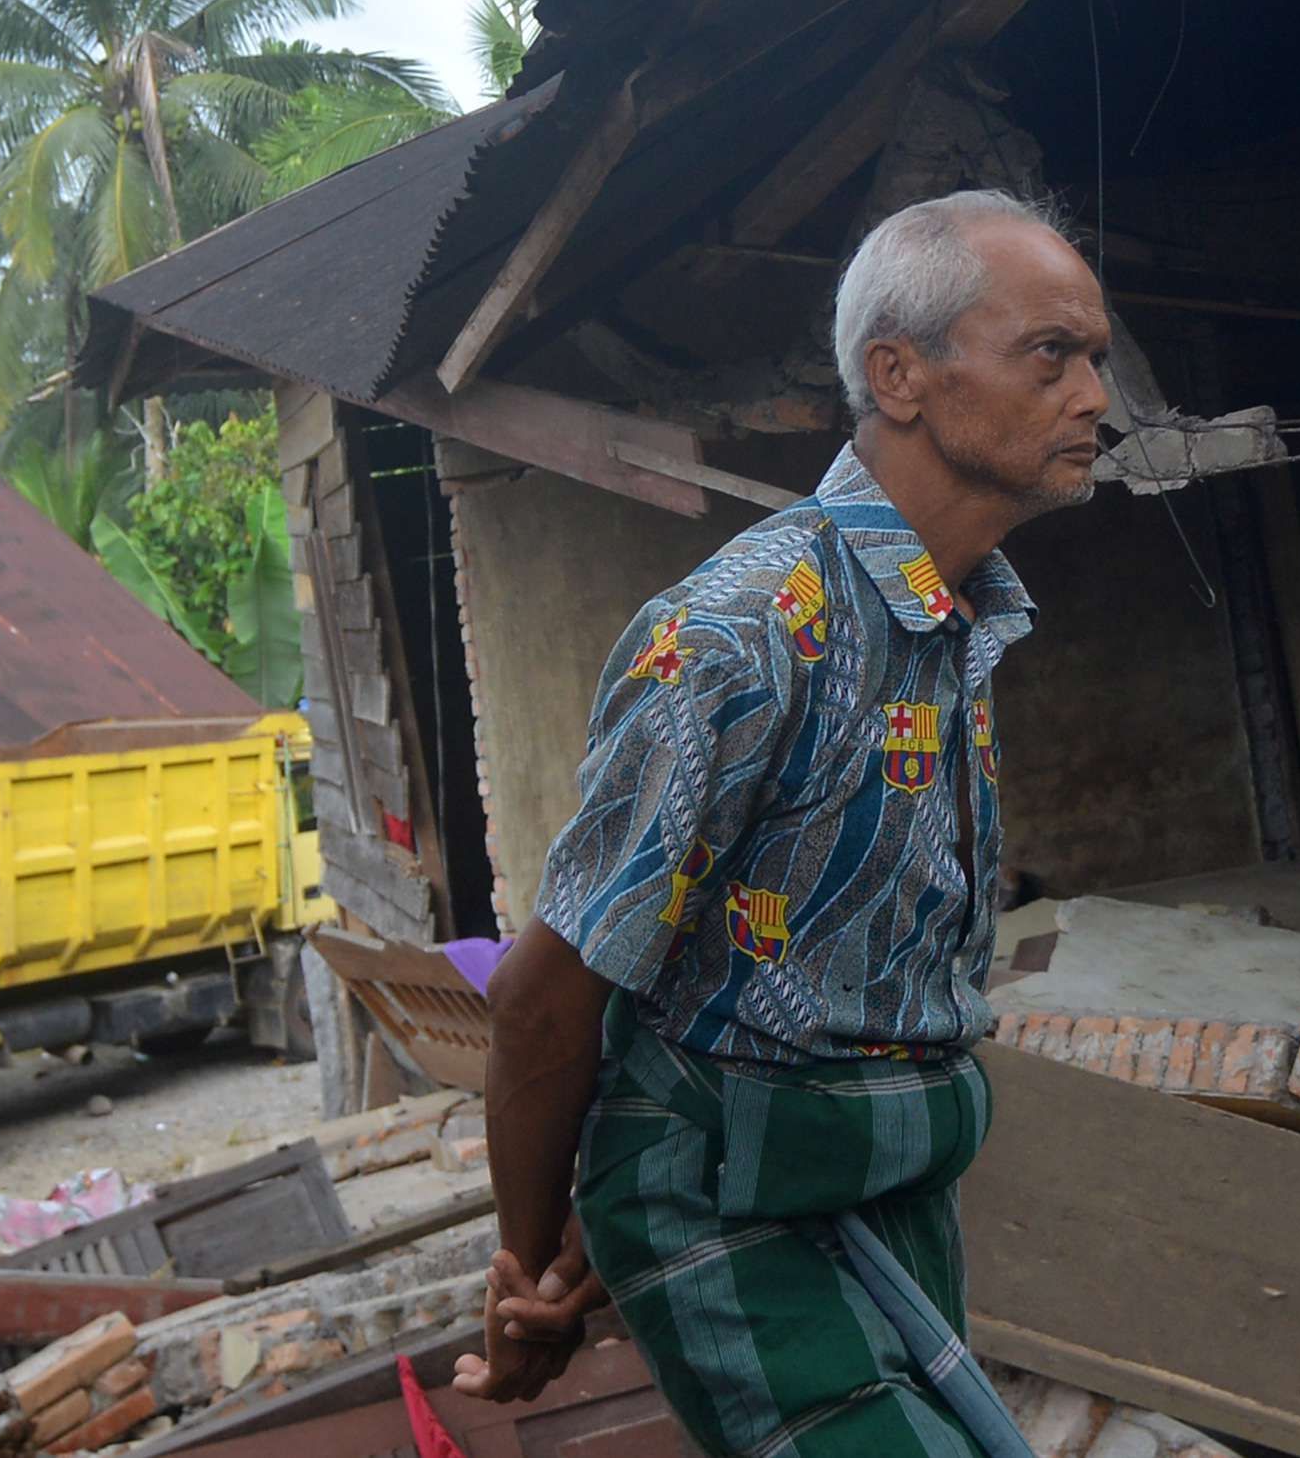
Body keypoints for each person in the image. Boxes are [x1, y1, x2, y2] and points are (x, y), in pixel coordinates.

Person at [451, 188, 1108, 1458]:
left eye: (1094, 357)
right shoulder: (741, 635)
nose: (1094, 396)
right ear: (899, 374)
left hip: (883, 1178)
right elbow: (547, 995)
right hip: (732, 1206)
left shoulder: (955, 616)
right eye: (1051, 354)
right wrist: (533, 1272)